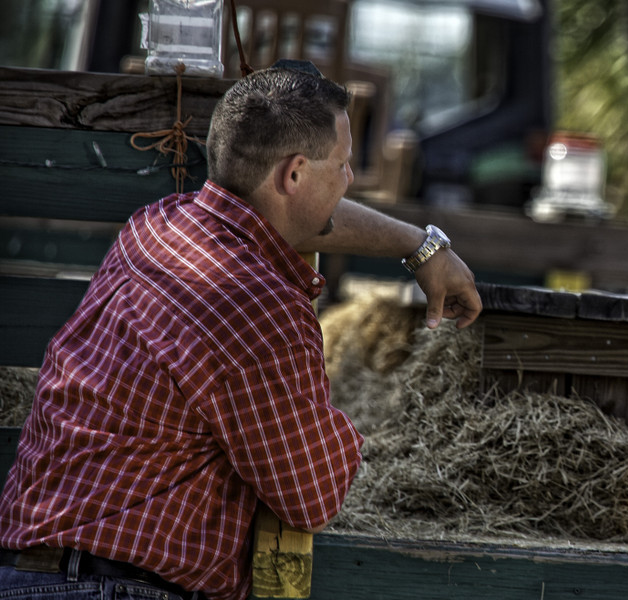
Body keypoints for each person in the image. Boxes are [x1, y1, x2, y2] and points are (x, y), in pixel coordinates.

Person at [0, 62, 481, 600]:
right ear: (294, 175)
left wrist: (422, 247)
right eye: (343, 165)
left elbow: (295, 216)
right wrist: (339, 425)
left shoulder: (158, 224)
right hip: (117, 589)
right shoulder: (260, 313)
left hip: (26, 571)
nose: (349, 180)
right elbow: (314, 495)